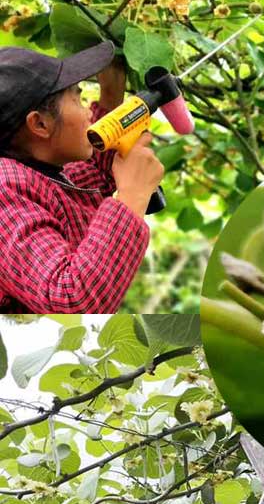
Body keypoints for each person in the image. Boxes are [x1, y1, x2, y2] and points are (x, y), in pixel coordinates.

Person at [0, 41, 164, 312]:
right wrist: (132, 195)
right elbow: (71, 302)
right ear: (40, 124)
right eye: (77, 97)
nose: (88, 109)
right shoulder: (5, 188)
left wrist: (112, 97)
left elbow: (94, 174)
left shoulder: (39, 173)